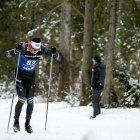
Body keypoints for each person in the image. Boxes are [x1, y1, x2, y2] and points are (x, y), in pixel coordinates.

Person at [5, 38, 58, 133]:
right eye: (33, 49)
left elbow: (56, 58)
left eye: (37, 50)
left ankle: (27, 124)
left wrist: (54, 54)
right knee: (22, 99)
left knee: (30, 100)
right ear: (30, 45)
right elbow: (6, 55)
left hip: (30, 76)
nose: (35, 51)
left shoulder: (42, 49)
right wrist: (16, 50)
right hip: (20, 75)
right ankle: (16, 122)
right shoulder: (24, 47)